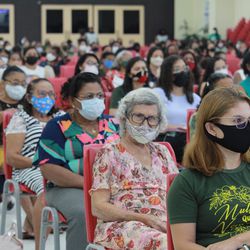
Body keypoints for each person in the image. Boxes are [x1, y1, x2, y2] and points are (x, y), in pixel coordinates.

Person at [32, 72, 119, 250]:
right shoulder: (57, 126)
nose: (96, 100)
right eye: (89, 97)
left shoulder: (113, 124)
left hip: (113, 186)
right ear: (73, 101)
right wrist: (90, 184)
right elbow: (48, 169)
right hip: (68, 188)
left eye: (99, 96)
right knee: (83, 212)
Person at [91, 88, 178, 249]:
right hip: (124, 226)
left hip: (164, 223)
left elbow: (179, 195)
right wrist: (144, 219)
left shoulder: (162, 152)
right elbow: (98, 207)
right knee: (168, 244)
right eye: (138, 116)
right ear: (124, 118)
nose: (145, 124)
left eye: (152, 118)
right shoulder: (109, 153)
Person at [168, 87, 250, 249]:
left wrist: (238, 241)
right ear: (212, 128)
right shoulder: (188, 182)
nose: (247, 127)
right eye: (238, 121)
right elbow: (182, 245)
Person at [6, 77, 61, 244]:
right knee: (49, 189)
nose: (47, 98)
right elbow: (11, 157)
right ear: (29, 97)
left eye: (51, 94)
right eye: (42, 93)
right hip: (28, 168)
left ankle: (33, 225)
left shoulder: (60, 117)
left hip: (58, 166)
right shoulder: (21, 119)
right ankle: (40, 245)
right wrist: (41, 162)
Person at [154, 55, 200, 162]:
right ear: (167, 73)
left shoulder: (195, 98)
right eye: (176, 69)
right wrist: (176, 127)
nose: (182, 72)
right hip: (167, 140)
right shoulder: (157, 94)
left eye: (184, 68)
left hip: (191, 142)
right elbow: (152, 123)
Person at [0, 66, 27, 208]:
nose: (20, 87)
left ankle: (32, 224)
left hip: (26, 148)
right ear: (4, 83)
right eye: (16, 83)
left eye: (23, 84)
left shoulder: (27, 104)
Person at [189, 72, 234, 140]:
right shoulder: (198, 117)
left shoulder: (241, 113)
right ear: (211, 93)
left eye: (232, 88)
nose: (230, 93)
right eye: (223, 90)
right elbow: (197, 144)